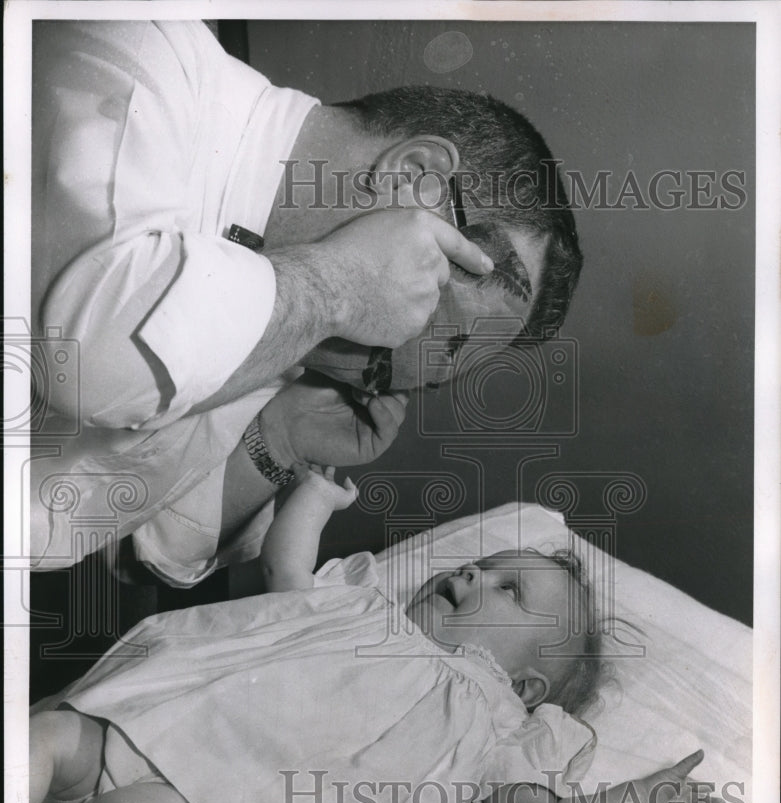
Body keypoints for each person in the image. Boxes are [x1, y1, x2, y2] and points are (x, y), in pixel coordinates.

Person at [29, 466, 722, 803]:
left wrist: (643, 801)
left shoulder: (491, 725)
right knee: (51, 736)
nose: (469, 576)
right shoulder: (362, 612)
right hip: (151, 744)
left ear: (528, 683)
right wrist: (313, 500)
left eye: (507, 590)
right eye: (480, 567)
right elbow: (286, 580)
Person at [31, 20, 582, 585]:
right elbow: (87, 366)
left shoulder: (292, 323)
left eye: (428, 381)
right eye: (439, 327)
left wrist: (278, 438)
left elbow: (144, 552)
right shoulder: (139, 48)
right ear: (416, 179)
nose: (385, 386)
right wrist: (332, 288)